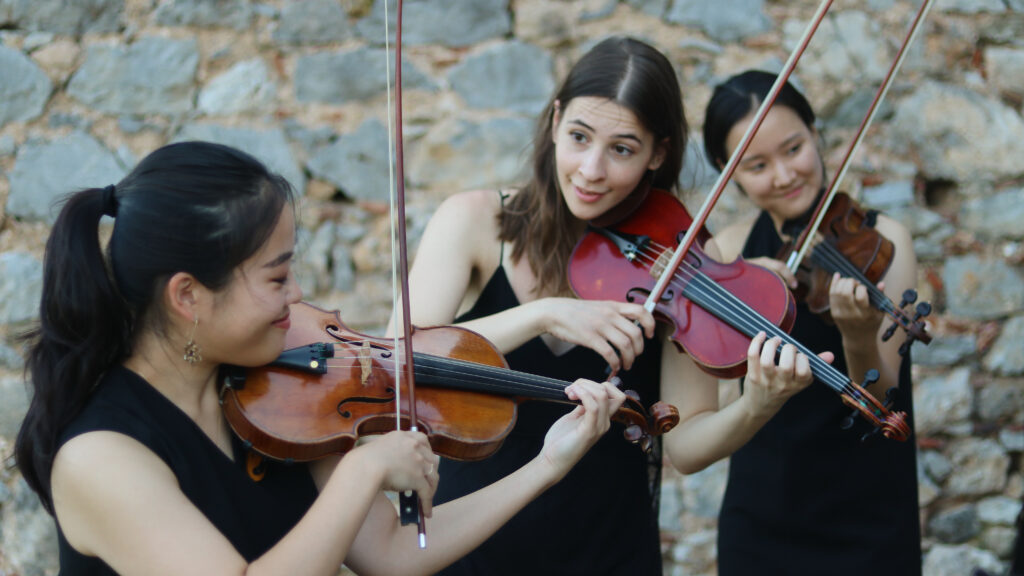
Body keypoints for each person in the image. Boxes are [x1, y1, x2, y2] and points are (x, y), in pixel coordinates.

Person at [13, 141, 632, 576]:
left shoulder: (274, 397)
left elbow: (390, 553)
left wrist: (547, 466)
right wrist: (365, 471)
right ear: (188, 296)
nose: (300, 298)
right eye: (277, 278)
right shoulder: (101, 454)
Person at [403, 37, 827, 575]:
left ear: (659, 153)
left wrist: (756, 406)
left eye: (622, 148)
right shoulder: (474, 222)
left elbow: (688, 447)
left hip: (609, 549)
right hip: (467, 544)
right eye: (579, 137)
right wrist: (544, 313)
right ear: (555, 121)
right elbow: (400, 356)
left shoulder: (685, 261)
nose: (591, 169)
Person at [702, 70, 922, 575]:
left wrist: (859, 336)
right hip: (760, 514)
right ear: (727, 169)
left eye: (794, 148)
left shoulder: (885, 242)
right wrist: (736, 280)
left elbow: (886, 396)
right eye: (757, 164)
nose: (783, 175)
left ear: (817, 134)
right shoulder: (728, 253)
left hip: (868, 516)